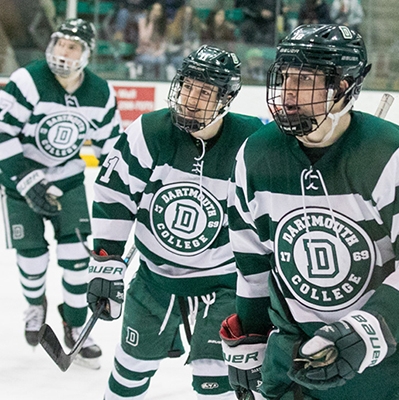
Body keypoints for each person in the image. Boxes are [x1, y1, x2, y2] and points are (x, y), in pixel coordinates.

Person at [220, 24, 399, 400]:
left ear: (344, 86)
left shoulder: (388, 154)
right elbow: (253, 263)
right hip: (292, 359)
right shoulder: (255, 155)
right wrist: (251, 336)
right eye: (284, 77)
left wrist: (372, 327)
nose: (287, 93)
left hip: (385, 367)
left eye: (304, 80)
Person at [86, 45, 264, 399]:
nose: (190, 99)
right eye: (187, 86)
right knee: (128, 373)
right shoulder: (150, 130)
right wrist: (106, 261)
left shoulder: (250, 141)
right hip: (154, 281)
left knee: (220, 385)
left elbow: (269, 208)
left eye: (204, 92)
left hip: (224, 286)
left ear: (227, 98)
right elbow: (115, 195)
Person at [0, 18, 122, 369]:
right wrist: (25, 179)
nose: (62, 52)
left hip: (67, 181)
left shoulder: (100, 93)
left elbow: (110, 148)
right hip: (19, 179)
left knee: (76, 257)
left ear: (87, 54)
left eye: (72, 46)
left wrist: (128, 191)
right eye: (59, 43)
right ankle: (35, 305)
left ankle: (74, 321)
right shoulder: (28, 80)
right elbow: (3, 132)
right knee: (32, 257)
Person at [134, 1, 168, 80]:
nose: (156, 12)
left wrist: (158, 52)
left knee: (162, 60)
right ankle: (147, 81)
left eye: (159, 10)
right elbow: (144, 39)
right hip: (144, 52)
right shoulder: (142, 21)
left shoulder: (163, 25)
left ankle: (160, 82)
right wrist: (152, 22)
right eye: (154, 10)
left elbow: (164, 43)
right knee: (149, 61)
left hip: (157, 53)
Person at [166, 5, 204, 74]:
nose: (188, 16)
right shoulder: (172, 29)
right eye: (186, 14)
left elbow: (197, 46)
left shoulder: (194, 29)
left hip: (191, 56)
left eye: (190, 14)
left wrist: (191, 47)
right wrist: (182, 46)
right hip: (175, 57)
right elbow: (169, 48)